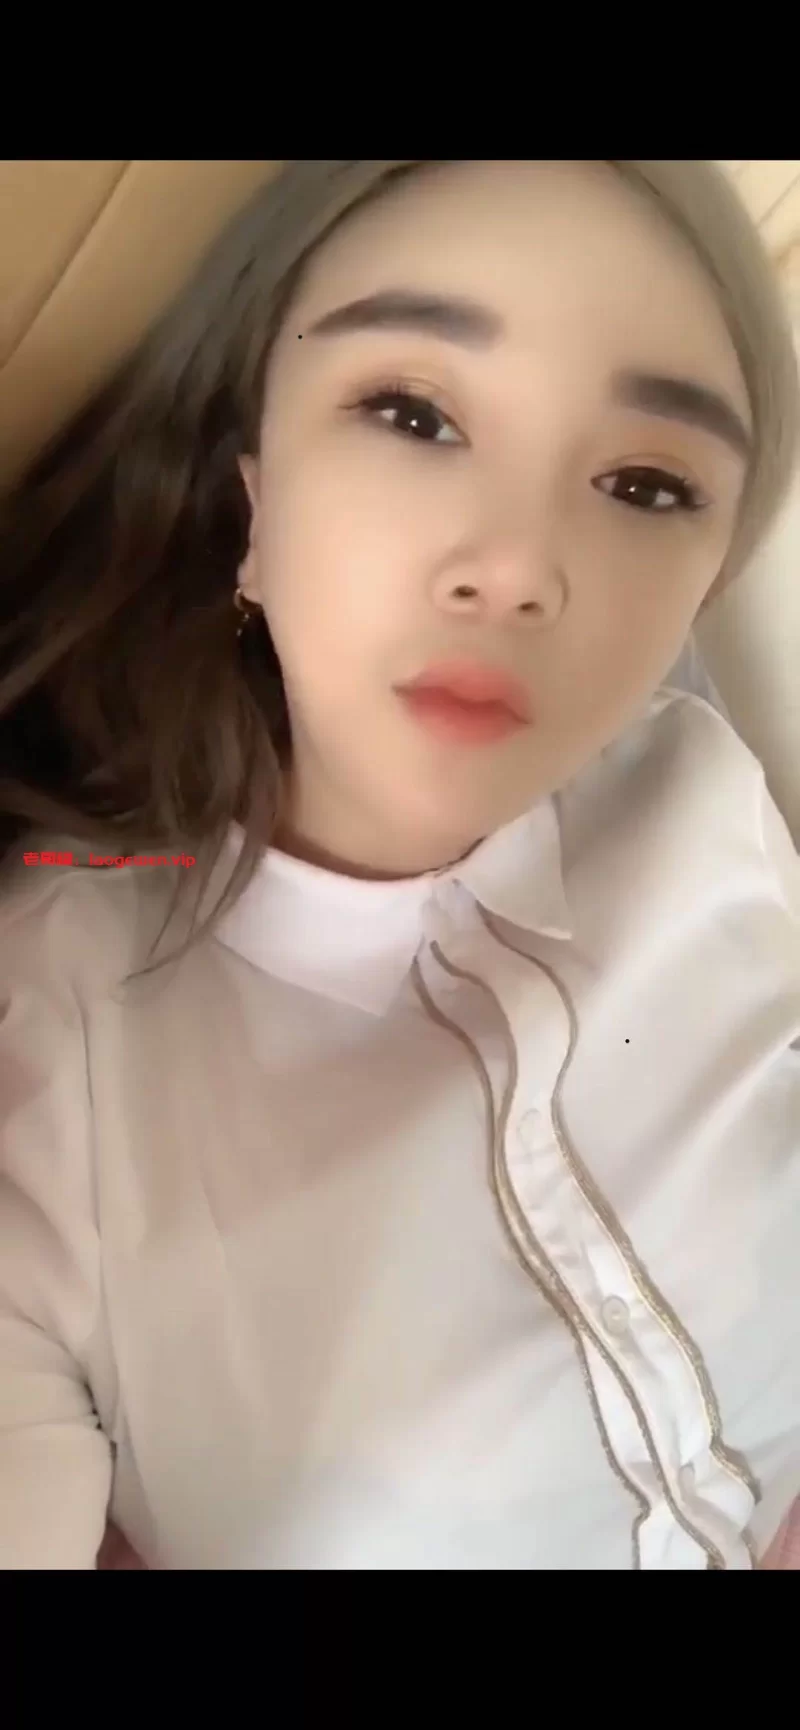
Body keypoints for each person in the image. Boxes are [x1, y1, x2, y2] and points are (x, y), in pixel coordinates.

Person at [0, 159, 798, 1571]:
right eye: (414, 414)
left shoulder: (708, 791)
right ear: (250, 499)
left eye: (647, 483)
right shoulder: (49, 1038)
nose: (520, 567)